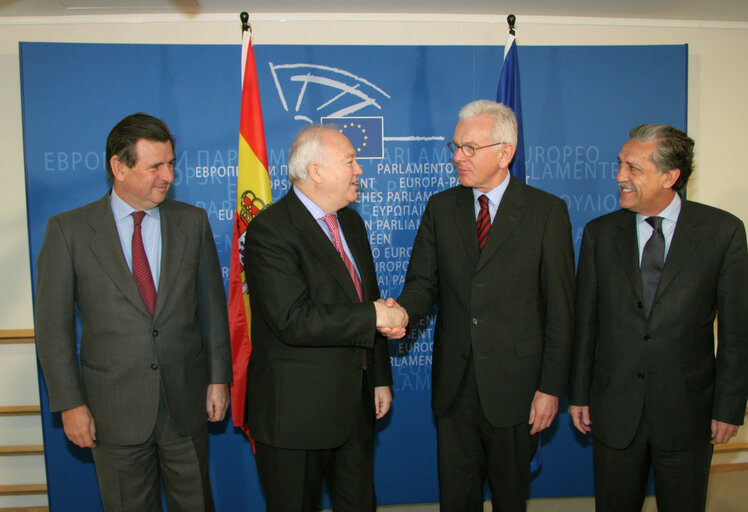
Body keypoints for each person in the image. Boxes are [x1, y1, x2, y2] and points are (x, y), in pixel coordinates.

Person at [35, 113, 232, 512]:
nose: (168, 176)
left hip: (185, 403)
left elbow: (212, 309)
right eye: (155, 166)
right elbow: (53, 331)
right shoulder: (69, 231)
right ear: (119, 167)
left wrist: (218, 378)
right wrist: (71, 406)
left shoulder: (192, 222)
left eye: (171, 164)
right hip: (113, 411)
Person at [395, 100, 575, 511]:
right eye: (455, 147)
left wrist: (550, 388)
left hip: (518, 388)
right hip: (454, 388)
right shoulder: (442, 208)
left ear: (505, 152)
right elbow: (423, 283)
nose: (458, 157)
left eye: (469, 148)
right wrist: (401, 313)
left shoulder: (546, 212)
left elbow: (562, 311)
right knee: (456, 500)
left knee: (511, 498)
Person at [569, 124, 748, 512]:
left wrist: (728, 406)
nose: (619, 176)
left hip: (688, 413)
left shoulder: (723, 232)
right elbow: (585, 323)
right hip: (615, 408)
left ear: (670, 177)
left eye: (633, 168)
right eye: (620, 164)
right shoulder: (600, 234)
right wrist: (579, 393)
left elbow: (736, 332)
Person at [243, 125, 405, 511]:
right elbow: (292, 319)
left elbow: (367, 302)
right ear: (315, 172)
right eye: (350, 161)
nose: (359, 170)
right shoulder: (269, 230)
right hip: (295, 416)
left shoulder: (351, 222)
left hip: (355, 408)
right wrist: (374, 314)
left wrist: (379, 378)